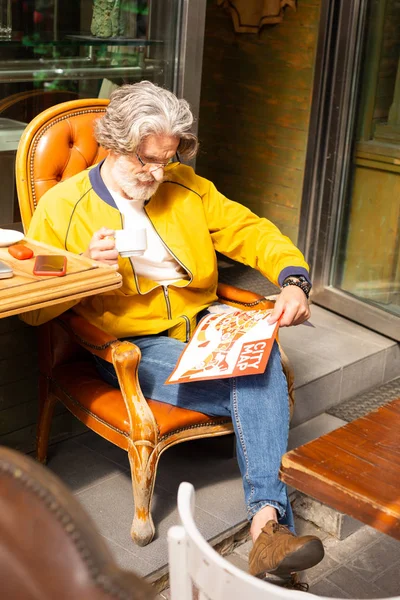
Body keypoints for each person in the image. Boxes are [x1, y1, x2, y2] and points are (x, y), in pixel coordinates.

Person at [22, 81, 324, 580]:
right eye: (146, 161)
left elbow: (251, 231)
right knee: (260, 381)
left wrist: (293, 280)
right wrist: (82, 269)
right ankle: (270, 530)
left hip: (206, 328)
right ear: (114, 143)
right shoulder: (63, 206)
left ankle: (265, 527)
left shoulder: (186, 186)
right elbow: (34, 311)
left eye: (166, 159)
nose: (158, 173)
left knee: (260, 361)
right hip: (136, 346)